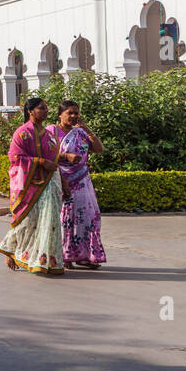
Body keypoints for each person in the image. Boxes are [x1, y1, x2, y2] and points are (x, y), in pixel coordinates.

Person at [0, 97, 64, 275]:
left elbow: (55, 161)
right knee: (28, 221)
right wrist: (41, 161)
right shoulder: (22, 133)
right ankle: (10, 249)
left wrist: (63, 182)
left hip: (50, 183)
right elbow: (15, 158)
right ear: (30, 111)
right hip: (29, 185)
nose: (46, 111)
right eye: (42, 108)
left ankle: (45, 260)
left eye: (46, 108)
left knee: (49, 222)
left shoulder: (48, 135)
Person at [54, 100, 107, 269]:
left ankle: (85, 255)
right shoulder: (51, 132)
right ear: (60, 114)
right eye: (69, 113)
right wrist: (65, 156)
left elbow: (98, 149)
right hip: (62, 179)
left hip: (83, 181)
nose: (73, 116)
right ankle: (66, 256)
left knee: (87, 217)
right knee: (66, 219)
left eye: (76, 113)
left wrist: (86, 129)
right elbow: (45, 155)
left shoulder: (81, 133)